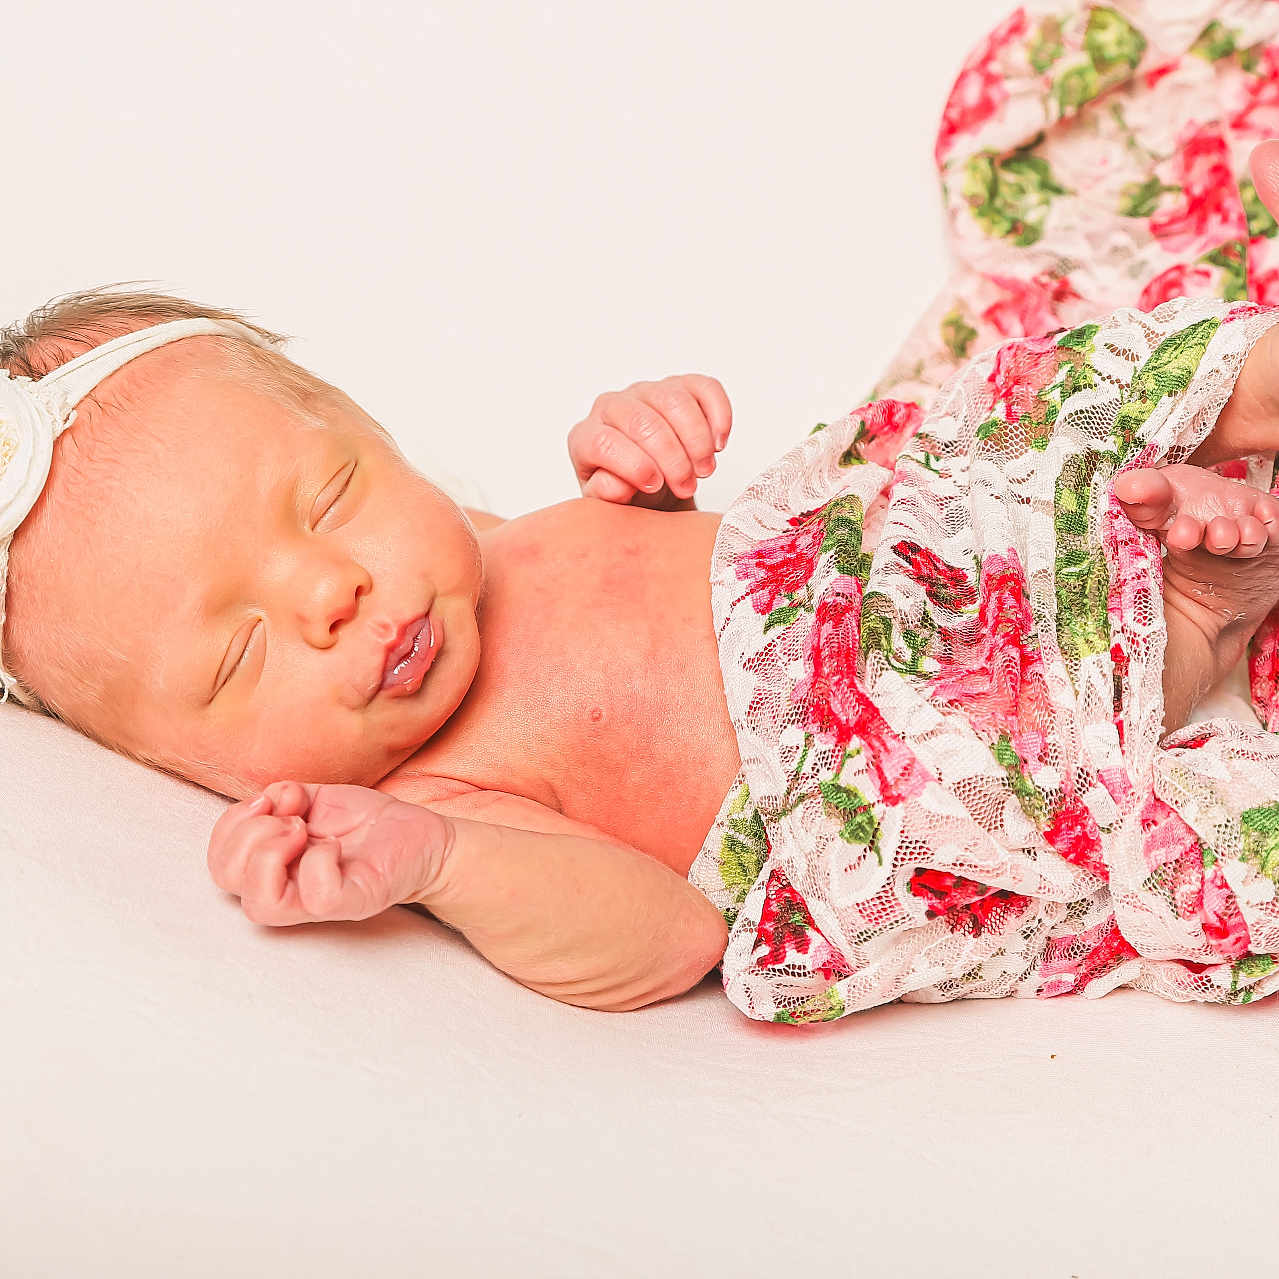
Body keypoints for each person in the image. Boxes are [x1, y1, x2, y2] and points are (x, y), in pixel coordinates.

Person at [7, 2, 1279, 1021]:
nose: (327, 592)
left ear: (376, 431)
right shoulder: (453, 793)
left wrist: (650, 469)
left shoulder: (518, 538)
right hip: (918, 761)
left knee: (1032, 398)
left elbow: (712, 569)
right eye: (240, 654)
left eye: (331, 495)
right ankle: (1187, 608)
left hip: (925, 567)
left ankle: (1235, 430)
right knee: (996, 716)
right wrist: (433, 863)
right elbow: (666, 938)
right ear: (186, 770)